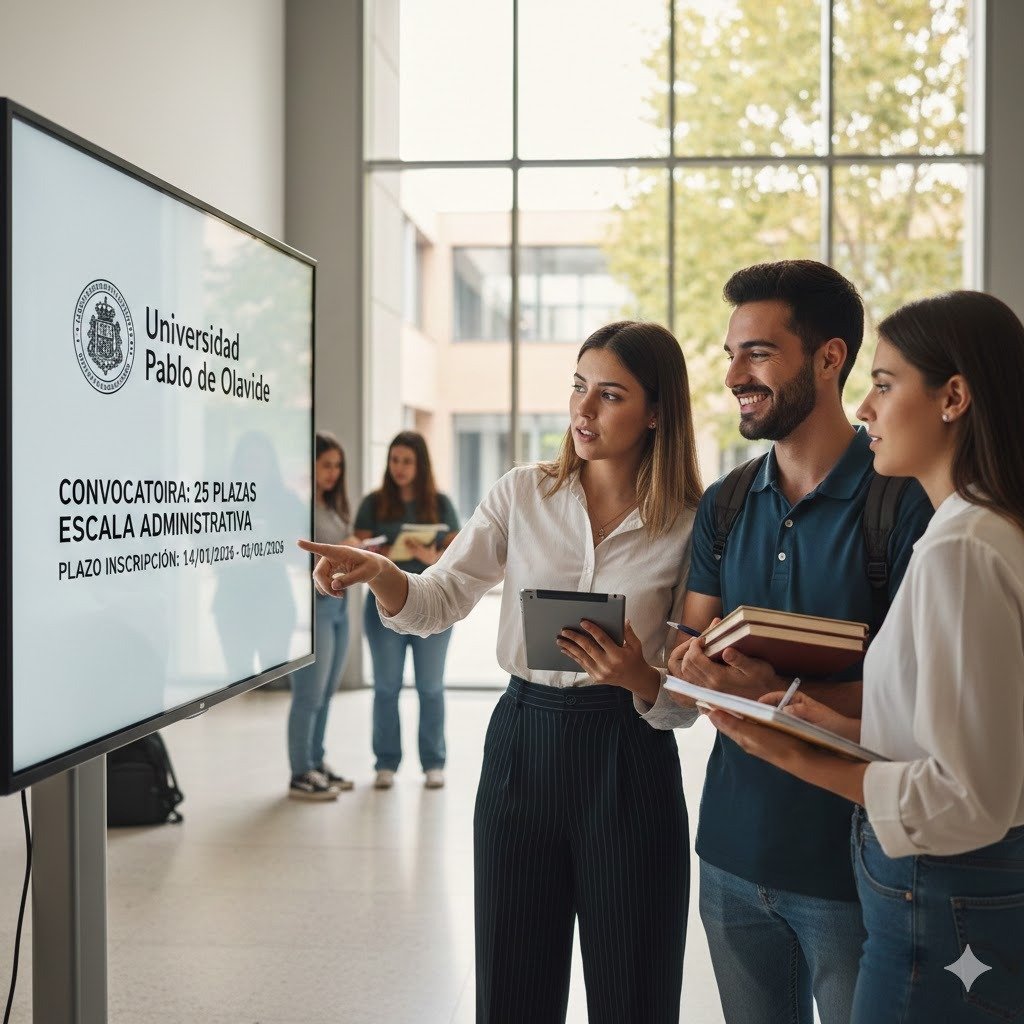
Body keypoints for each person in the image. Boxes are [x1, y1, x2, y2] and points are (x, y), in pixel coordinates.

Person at [300, 320, 702, 1024]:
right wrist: (386, 575)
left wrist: (642, 676)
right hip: (524, 745)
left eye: (610, 395)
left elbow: (685, 697)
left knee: (635, 993)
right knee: (512, 988)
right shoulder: (522, 494)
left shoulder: (692, 524)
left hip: (629, 757)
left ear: (658, 411)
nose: (583, 410)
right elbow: (438, 599)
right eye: (579, 387)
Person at [705, 290, 1024, 1023]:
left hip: (937, 897)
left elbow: (967, 799)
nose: (864, 409)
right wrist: (816, 717)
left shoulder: (962, 549)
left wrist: (791, 753)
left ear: (953, 398)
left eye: (884, 385)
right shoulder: (980, 531)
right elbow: (956, 743)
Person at [642, 260, 933, 1024]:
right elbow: (689, 646)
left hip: (854, 869)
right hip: (730, 856)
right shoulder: (728, 502)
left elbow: (919, 702)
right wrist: (690, 665)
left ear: (830, 358)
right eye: (732, 353)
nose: (736, 373)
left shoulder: (902, 506)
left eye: (760, 353)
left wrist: (775, 695)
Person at [353, 431, 460, 790]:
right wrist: (377, 558)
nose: (399, 468)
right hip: (383, 605)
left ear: (420, 465)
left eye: (407, 461)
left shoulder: (441, 504)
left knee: (430, 687)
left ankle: (434, 762)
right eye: (394, 460)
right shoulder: (374, 502)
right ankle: (386, 762)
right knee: (386, 687)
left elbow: (458, 554)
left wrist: (434, 557)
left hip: (433, 602)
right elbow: (359, 548)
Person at [286, 432, 357, 800]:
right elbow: (295, 558)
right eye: (326, 464)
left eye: (337, 466)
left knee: (326, 691)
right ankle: (300, 772)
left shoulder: (332, 506)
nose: (333, 473)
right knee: (309, 694)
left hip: (339, 604)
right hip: (313, 607)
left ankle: (316, 761)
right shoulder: (299, 507)